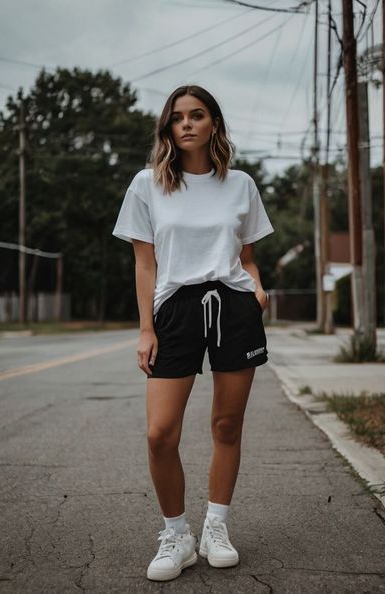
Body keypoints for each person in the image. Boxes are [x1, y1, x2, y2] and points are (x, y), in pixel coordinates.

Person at [112, 84, 274, 582]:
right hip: (175, 310)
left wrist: (258, 289)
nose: (186, 123)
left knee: (227, 427)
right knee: (160, 433)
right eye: (177, 116)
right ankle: (177, 535)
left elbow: (247, 256)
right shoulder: (147, 184)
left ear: (213, 125)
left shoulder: (241, 184)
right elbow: (145, 264)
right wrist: (146, 329)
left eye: (197, 115)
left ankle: (216, 527)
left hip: (233, 305)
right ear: (168, 126)